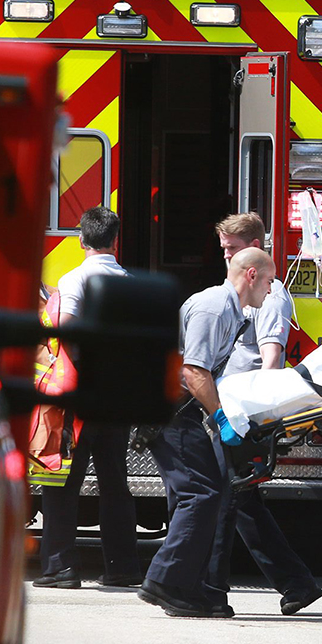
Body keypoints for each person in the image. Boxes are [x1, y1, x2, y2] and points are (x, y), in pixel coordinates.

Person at [139, 247, 276, 617]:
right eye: (268, 280)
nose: (271, 287)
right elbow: (194, 370)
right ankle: (165, 582)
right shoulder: (214, 308)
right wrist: (220, 417)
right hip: (171, 410)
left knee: (206, 491)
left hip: (180, 409)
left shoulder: (233, 312)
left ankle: (188, 588)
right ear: (250, 276)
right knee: (201, 493)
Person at [208, 213, 322, 617]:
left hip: (245, 410)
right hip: (232, 404)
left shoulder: (270, 297)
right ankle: (297, 584)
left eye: (233, 250)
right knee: (241, 501)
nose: (227, 258)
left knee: (228, 497)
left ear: (256, 246)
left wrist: (252, 418)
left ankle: (211, 589)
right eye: (224, 251)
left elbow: (270, 360)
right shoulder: (243, 289)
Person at [34, 206, 142, 590]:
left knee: (61, 482)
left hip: (77, 397)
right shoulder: (132, 282)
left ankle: (61, 568)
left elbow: (65, 333)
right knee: (115, 482)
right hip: (116, 398)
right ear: (115, 240)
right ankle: (122, 567)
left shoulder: (74, 280)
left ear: (81, 240)